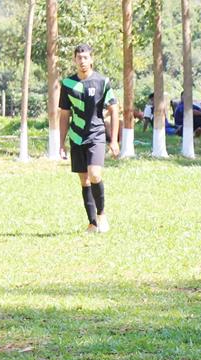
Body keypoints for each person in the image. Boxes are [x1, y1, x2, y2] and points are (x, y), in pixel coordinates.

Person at [59, 43, 119, 234]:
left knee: (95, 174)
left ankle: (101, 215)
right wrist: (61, 143)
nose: (82, 61)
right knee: (84, 181)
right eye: (79, 58)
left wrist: (114, 140)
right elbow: (64, 115)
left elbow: (114, 109)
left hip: (96, 134)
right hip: (76, 137)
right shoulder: (68, 84)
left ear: (91, 59)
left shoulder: (102, 82)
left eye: (85, 58)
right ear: (74, 60)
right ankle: (92, 223)